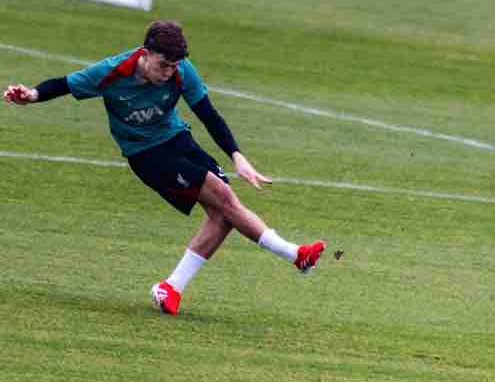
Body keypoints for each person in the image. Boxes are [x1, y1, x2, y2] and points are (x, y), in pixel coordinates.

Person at [4, 20, 325, 315]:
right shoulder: (114, 71)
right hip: (146, 155)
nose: (169, 72)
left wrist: (236, 155)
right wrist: (30, 95)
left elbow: (208, 113)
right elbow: (64, 84)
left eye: (174, 66)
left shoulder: (183, 70)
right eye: (163, 65)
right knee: (225, 200)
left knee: (222, 215)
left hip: (177, 138)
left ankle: (170, 288)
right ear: (145, 54)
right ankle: (295, 254)